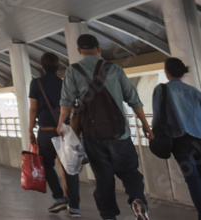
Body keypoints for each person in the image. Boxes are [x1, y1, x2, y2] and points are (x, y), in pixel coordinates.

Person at [59, 34, 153, 220]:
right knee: (130, 172)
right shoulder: (115, 69)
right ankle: (137, 200)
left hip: (94, 136)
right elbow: (133, 99)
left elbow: (66, 103)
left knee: (103, 179)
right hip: (120, 134)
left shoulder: (73, 71)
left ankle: (109, 215)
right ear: (99, 48)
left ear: (79, 50)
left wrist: (60, 125)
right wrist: (145, 125)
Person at [28, 51, 80, 217]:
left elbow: (33, 108)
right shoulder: (64, 84)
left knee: (47, 165)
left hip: (45, 132)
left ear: (42, 67)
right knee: (70, 168)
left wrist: (30, 129)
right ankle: (75, 207)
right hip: (64, 132)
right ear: (58, 67)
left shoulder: (36, 83)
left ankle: (59, 197)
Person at [153, 57, 201, 219]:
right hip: (199, 138)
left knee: (192, 179)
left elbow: (158, 117)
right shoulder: (194, 91)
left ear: (167, 72)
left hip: (179, 141)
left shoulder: (162, 90)